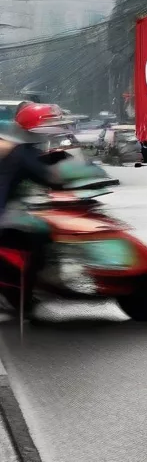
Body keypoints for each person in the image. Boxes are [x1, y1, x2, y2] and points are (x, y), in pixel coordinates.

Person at [0, 103, 69, 314]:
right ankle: (24, 295)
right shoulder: (22, 152)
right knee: (42, 234)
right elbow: (45, 175)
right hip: (5, 212)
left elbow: (41, 165)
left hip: (10, 206)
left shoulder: (22, 148)